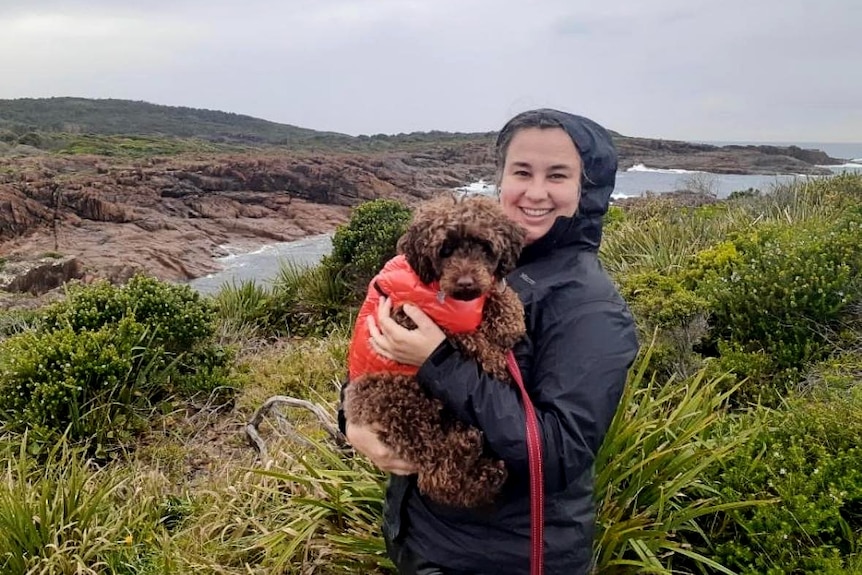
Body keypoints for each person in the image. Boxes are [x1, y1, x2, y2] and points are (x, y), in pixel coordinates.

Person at [339, 108, 640, 575]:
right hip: (426, 539)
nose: (535, 192)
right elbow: (376, 352)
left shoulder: (591, 308)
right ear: (500, 178)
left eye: (557, 175)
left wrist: (436, 361)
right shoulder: (484, 266)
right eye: (522, 172)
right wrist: (351, 422)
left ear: (588, 188)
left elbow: (557, 454)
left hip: (504, 559)